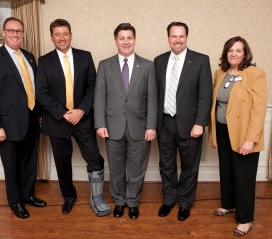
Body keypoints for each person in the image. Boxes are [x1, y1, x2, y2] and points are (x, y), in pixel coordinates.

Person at [36, 19, 110, 216]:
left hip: (82, 119)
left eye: (65, 33)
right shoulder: (44, 61)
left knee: (95, 159)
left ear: (71, 35)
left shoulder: (85, 57)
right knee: (63, 162)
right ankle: (69, 197)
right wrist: (63, 113)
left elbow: (92, 87)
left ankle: (97, 197)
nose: (62, 38)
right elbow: (42, 93)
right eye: (57, 34)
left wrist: (81, 110)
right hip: (57, 120)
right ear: (51, 37)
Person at [0, 17, 47, 219]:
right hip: (7, 124)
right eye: (11, 30)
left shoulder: (29, 56)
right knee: (11, 165)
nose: (15, 34)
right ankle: (15, 201)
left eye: (19, 31)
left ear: (23, 33)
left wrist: (40, 115)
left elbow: (35, 89)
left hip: (32, 120)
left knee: (29, 162)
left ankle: (27, 196)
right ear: (3, 32)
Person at [94, 23, 158, 220]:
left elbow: (153, 98)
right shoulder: (105, 65)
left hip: (139, 127)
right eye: (122, 38)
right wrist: (100, 123)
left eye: (129, 37)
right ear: (115, 41)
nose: (126, 42)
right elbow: (99, 97)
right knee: (116, 170)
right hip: (112, 127)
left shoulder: (147, 66)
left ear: (135, 39)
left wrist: (151, 126)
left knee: (137, 170)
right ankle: (119, 202)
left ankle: (133, 203)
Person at [208, 36, 267, 237]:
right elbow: (215, 105)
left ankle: (245, 218)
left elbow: (259, 110)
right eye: (230, 50)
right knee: (226, 170)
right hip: (223, 129)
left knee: (243, 176)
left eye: (238, 50)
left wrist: (251, 139)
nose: (234, 54)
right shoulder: (220, 73)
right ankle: (228, 205)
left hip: (244, 133)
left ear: (245, 53)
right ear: (226, 53)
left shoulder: (255, 74)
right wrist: (212, 133)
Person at [154, 22, 212, 221]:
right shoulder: (159, 61)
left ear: (186, 37)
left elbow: (205, 95)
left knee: (189, 166)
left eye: (181, 36)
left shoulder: (201, 60)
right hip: (165, 123)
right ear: (168, 37)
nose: (177, 40)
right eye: (173, 36)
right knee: (166, 165)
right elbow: (155, 95)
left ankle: (185, 203)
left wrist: (200, 123)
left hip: (190, 125)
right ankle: (169, 200)